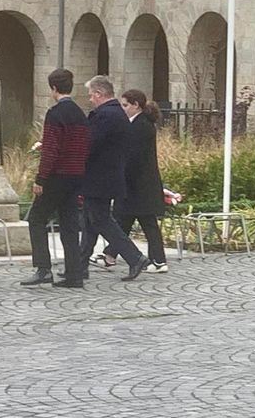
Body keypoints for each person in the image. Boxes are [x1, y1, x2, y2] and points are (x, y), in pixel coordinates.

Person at [76, 76, 150, 284]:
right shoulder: (115, 113)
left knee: (101, 220)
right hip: (105, 176)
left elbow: (91, 144)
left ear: (99, 94)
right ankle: (80, 266)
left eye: (91, 95)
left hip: (100, 178)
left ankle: (135, 257)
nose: (90, 100)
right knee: (90, 222)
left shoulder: (106, 115)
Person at [21, 69, 90, 288]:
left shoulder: (55, 114)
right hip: (76, 175)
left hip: (57, 176)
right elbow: (84, 146)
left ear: (53, 88)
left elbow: (51, 150)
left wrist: (40, 179)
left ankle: (43, 269)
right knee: (70, 224)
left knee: (36, 219)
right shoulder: (80, 113)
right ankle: (74, 273)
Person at [107, 89, 168, 273]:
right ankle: (109, 255)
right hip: (138, 184)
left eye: (125, 105)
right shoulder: (139, 124)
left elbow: (133, 157)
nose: (123, 109)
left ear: (135, 105)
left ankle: (158, 260)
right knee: (124, 220)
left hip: (139, 184)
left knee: (146, 223)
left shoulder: (140, 126)